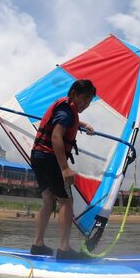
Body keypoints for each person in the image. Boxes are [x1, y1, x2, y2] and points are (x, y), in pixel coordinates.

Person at [29, 79, 96, 259]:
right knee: (66, 202)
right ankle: (64, 249)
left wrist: (82, 124)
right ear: (73, 93)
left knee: (48, 201)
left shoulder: (65, 109)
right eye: (84, 99)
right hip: (50, 159)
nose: (86, 104)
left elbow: (66, 121)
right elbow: (56, 137)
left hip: (37, 157)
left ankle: (37, 245)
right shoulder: (67, 111)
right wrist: (65, 168)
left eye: (89, 102)